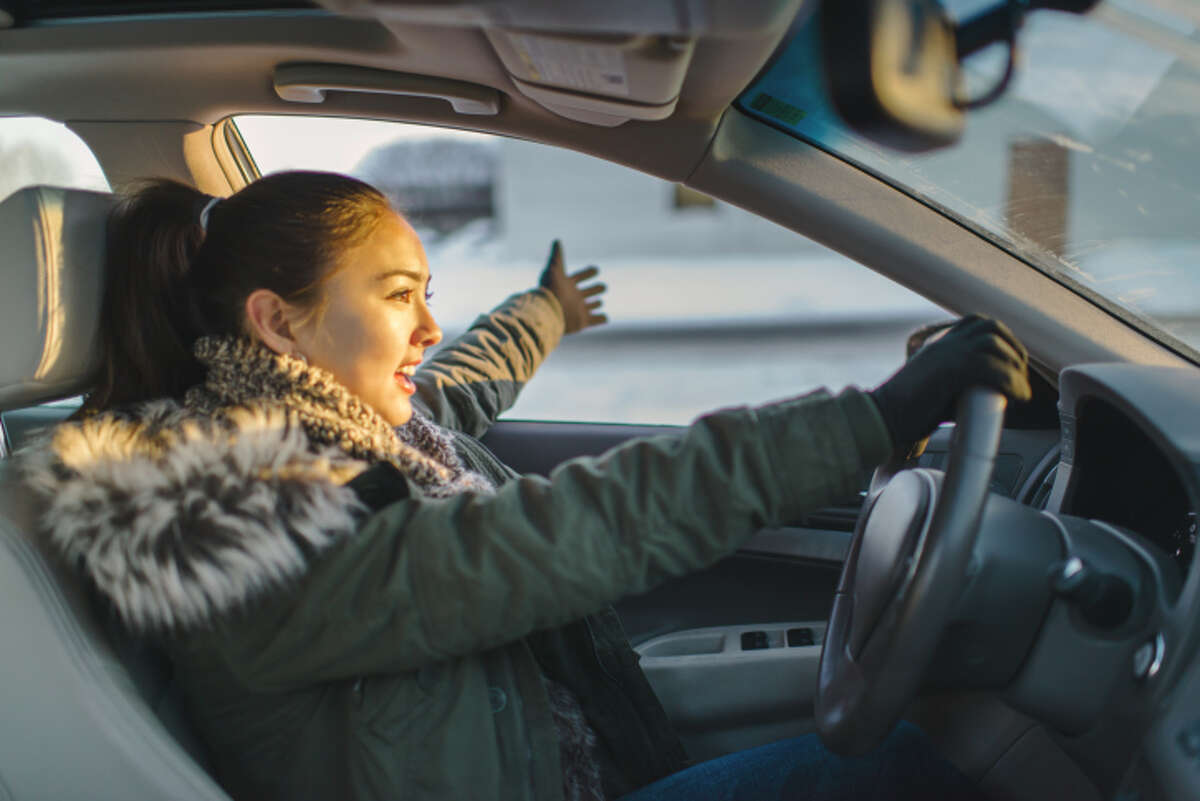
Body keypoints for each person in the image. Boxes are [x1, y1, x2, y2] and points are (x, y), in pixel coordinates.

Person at [21, 171, 1031, 801]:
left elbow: (457, 388)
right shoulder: (235, 534)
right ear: (279, 325)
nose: (427, 324)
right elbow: (555, 534)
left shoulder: (349, 433)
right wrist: (875, 419)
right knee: (906, 767)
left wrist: (542, 313)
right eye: (399, 294)